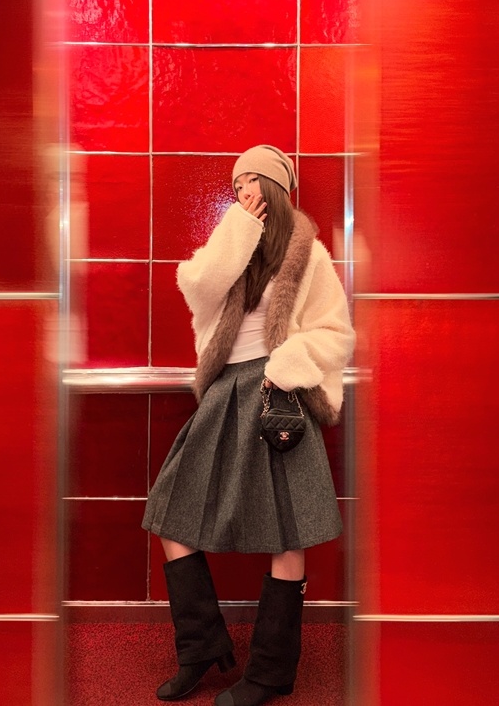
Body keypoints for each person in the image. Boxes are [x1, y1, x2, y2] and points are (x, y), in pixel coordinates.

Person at [142, 144, 355, 706]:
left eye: (254, 180)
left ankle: (270, 672)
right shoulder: (231, 245)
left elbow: (336, 333)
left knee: (288, 535)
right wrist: (237, 230)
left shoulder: (310, 257)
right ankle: (201, 647)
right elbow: (196, 286)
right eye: (237, 184)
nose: (244, 190)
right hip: (224, 393)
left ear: (278, 188)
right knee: (170, 514)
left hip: (278, 393)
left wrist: (289, 364)